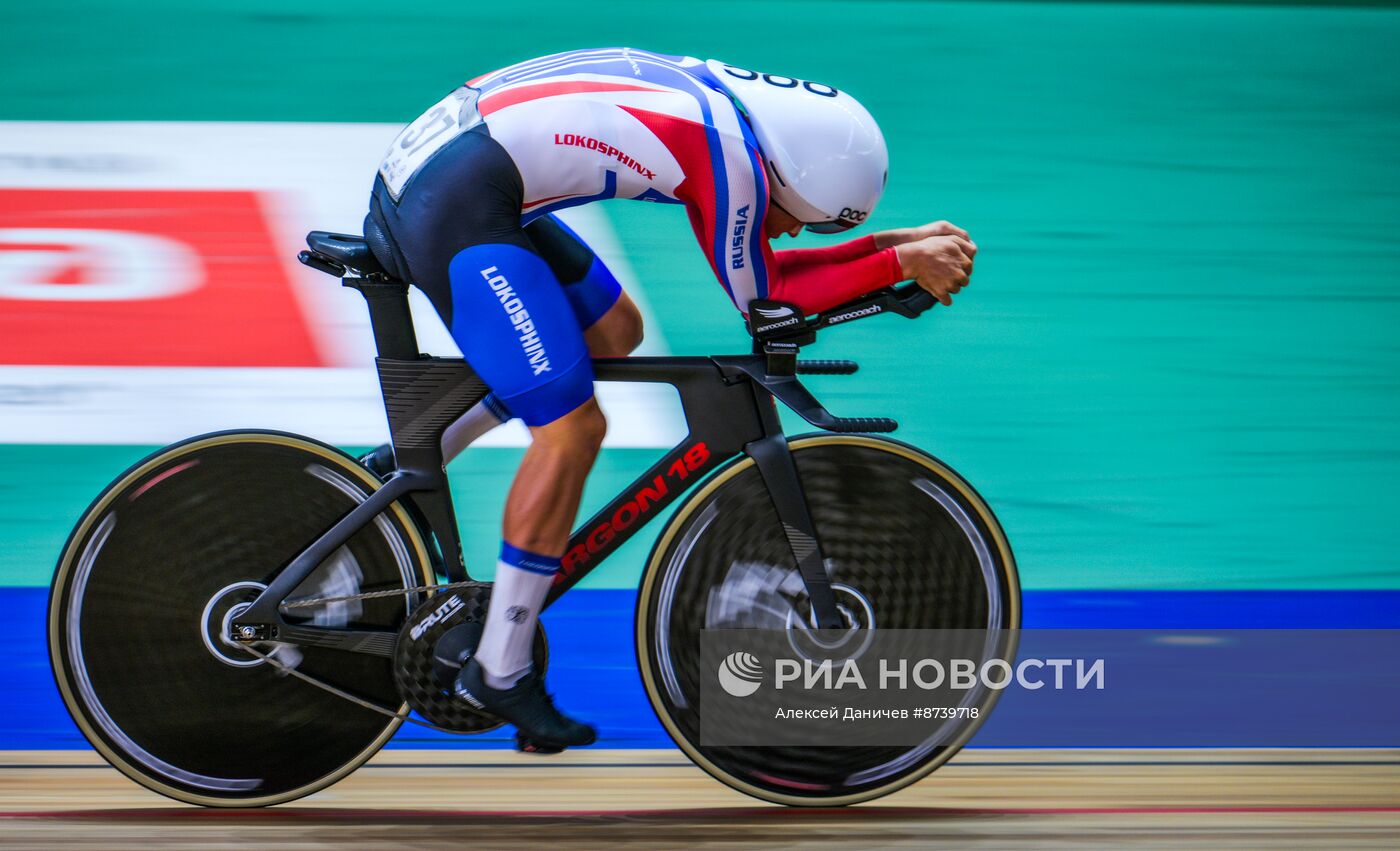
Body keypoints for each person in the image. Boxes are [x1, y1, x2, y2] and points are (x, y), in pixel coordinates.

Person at [361, 47, 977, 751]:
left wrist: (896, 246)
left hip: (458, 178)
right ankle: (499, 668)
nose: (797, 229)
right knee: (571, 430)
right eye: (804, 217)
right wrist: (897, 262)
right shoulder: (731, 162)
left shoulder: (736, 126)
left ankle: (417, 456)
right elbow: (770, 298)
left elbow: (769, 265)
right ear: (789, 176)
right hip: (455, 203)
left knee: (613, 330)